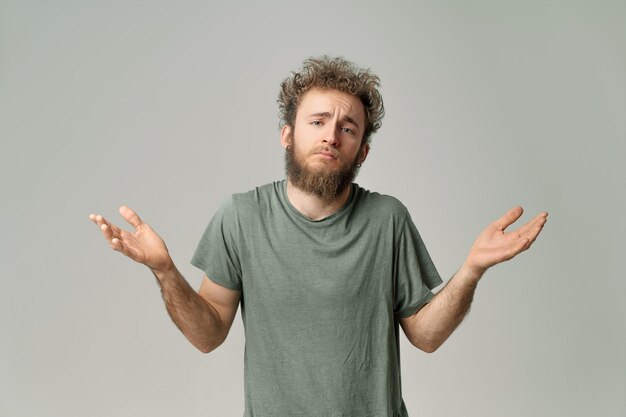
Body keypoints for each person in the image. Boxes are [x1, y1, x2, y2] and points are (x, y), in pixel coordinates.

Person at [89, 56, 548, 417]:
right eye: (317, 121)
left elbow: (424, 336)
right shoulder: (241, 216)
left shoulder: (388, 219)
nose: (331, 135)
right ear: (287, 135)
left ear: (362, 150)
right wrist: (165, 271)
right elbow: (209, 335)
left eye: (347, 128)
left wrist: (471, 271)